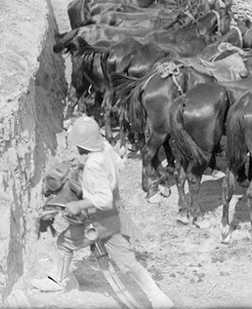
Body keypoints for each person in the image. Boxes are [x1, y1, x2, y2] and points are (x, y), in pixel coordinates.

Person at [31, 116, 174, 309]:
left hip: (99, 220)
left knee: (63, 243)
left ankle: (57, 281)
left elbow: (103, 200)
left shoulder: (93, 165)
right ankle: (158, 297)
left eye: (77, 144)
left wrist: (78, 205)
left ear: (83, 144)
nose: (76, 148)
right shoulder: (106, 148)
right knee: (128, 263)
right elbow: (118, 166)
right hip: (116, 214)